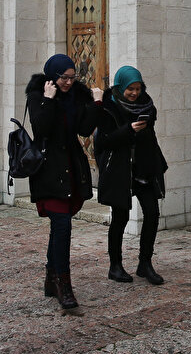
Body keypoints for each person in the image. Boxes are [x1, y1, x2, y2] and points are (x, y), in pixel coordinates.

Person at [26, 53, 96, 311]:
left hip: (71, 170)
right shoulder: (37, 95)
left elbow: (85, 129)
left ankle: (51, 277)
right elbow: (41, 129)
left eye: (71, 77)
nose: (67, 82)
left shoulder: (77, 96)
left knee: (60, 227)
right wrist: (48, 100)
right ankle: (64, 286)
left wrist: (94, 104)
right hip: (49, 170)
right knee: (62, 225)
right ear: (52, 75)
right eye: (63, 77)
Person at [95, 66, 168, 285]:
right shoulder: (108, 108)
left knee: (152, 213)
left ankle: (145, 263)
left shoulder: (147, 105)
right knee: (120, 218)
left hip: (143, 168)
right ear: (120, 87)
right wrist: (130, 130)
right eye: (130, 89)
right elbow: (104, 141)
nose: (135, 93)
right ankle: (115, 266)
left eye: (138, 88)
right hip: (119, 170)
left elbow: (151, 137)